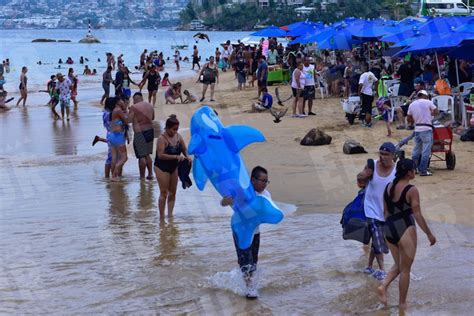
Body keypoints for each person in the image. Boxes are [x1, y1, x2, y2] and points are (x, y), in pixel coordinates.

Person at [377, 159, 436, 309]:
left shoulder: (388, 187)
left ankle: (383, 286)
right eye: (414, 169)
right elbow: (417, 214)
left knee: (398, 265)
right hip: (405, 228)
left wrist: (387, 230)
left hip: (389, 228)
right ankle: (402, 304)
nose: (415, 171)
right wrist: (429, 234)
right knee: (405, 269)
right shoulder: (411, 190)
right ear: (409, 172)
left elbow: (385, 212)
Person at [220, 166, 272, 299]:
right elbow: (223, 202)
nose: (265, 184)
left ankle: (248, 285)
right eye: (263, 180)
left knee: (253, 262)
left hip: (255, 232)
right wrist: (226, 201)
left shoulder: (265, 195)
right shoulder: (241, 191)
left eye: (267, 181)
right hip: (240, 231)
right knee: (245, 261)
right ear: (253, 180)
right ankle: (250, 289)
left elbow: (269, 212)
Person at [357, 142, 397, 280]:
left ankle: (369, 266)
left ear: (393, 155)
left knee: (377, 239)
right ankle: (382, 270)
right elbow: (359, 181)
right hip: (371, 209)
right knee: (378, 236)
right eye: (381, 153)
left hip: (386, 211)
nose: (382, 157)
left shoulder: (396, 170)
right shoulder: (372, 165)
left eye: (386, 154)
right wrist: (364, 175)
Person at [154, 115, 191, 220]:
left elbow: (184, 149)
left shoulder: (178, 137)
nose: (175, 131)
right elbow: (160, 155)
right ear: (167, 128)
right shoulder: (162, 138)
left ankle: (170, 215)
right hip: (161, 167)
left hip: (173, 167)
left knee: (172, 192)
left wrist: (187, 156)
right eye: (173, 129)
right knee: (164, 192)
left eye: (177, 129)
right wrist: (175, 156)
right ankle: (161, 217)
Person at [407, 90, 439, 176]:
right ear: (425, 96)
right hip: (426, 128)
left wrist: (415, 119)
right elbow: (436, 112)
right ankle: (423, 170)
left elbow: (409, 118)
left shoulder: (412, 104)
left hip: (417, 129)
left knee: (416, 150)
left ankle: (414, 169)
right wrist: (430, 114)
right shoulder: (428, 102)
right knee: (426, 151)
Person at [129, 92, 155, 180]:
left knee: (141, 156)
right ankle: (150, 174)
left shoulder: (134, 107)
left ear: (135, 99)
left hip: (140, 133)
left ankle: (142, 177)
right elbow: (153, 118)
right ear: (142, 98)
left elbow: (128, 120)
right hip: (150, 131)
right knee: (147, 154)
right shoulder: (150, 105)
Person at [92, 97, 116, 178]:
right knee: (111, 157)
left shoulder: (106, 112)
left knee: (111, 155)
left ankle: (108, 176)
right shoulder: (109, 114)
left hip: (110, 133)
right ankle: (108, 176)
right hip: (112, 134)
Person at [108, 96, 129, 181]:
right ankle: (114, 175)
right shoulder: (118, 110)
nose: (123, 101)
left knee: (114, 157)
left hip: (112, 135)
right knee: (124, 158)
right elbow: (127, 121)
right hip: (118, 136)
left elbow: (120, 122)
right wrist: (128, 112)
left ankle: (114, 175)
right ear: (117, 102)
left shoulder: (114, 111)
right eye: (121, 100)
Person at [358, 63, 378, 127]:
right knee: (369, 108)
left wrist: (359, 92)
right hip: (370, 93)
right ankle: (368, 122)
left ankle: (367, 123)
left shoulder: (363, 75)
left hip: (365, 94)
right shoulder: (371, 74)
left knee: (366, 109)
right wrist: (375, 90)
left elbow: (360, 84)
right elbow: (377, 81)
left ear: (364, 67)